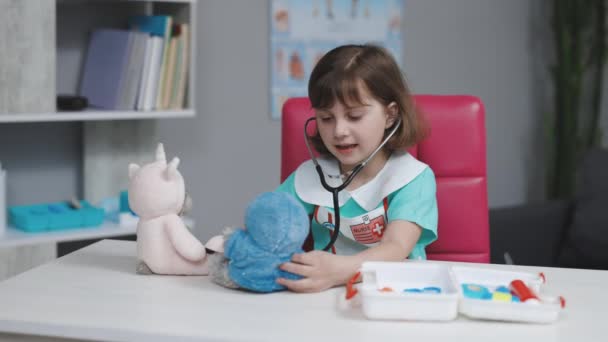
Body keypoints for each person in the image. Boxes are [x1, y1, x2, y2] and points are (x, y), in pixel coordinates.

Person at [275, 44, 438, 293]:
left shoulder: (413, 178)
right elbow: (268, 220)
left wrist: (339, 271)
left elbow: (395, 247)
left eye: (354, 116)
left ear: (390, 115)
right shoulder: (310, 176)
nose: (339, 131)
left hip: (395, 295)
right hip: (323, 297)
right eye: (326, 118)